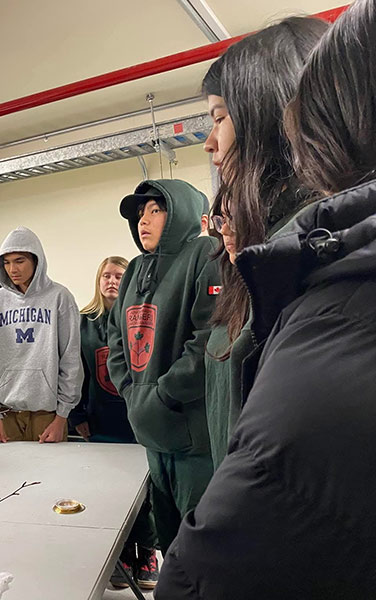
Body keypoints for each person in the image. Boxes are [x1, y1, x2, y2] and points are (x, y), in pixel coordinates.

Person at [158, 1, 376, 596]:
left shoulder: (319, 276)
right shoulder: (284, 265)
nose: (209, 143)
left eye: (219, 118)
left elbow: (227, 555)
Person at [200, 16, 329, 470]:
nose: (210, 143)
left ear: (265, 114)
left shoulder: (308, 256)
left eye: (219, 118)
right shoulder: (268, 245)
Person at [107, 180, 219, 556]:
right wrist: (131, 391)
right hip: (150, 433)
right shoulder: (135, 268)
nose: (144, 220)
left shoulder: (206, 253)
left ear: (182, 212)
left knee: (201, 547)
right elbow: (116, 339)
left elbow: (208, 340)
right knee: (169, 545)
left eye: (156, 210)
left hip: (192, 439)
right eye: (141, 213)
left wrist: (163, 394)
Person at [70, 256, 159, 590]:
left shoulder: (140, 318)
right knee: (110, 491)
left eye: (119, 275)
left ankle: (147, 552)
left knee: (145, 492)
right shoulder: (82, 323)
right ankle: (120, 552)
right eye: (106, 275)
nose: (111, 281)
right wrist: (77, 415)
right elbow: (74, 372)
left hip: (136, 420)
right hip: (98, 420)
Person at [0, 226, 82, 443]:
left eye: (19, 261)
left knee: (49, 476)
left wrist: (62, 416)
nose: (12, 269)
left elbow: (71, 358)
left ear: (36, 261)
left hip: (47, 414)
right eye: (6, 262)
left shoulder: (60, 297)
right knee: (9, 477)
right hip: (6, 412)